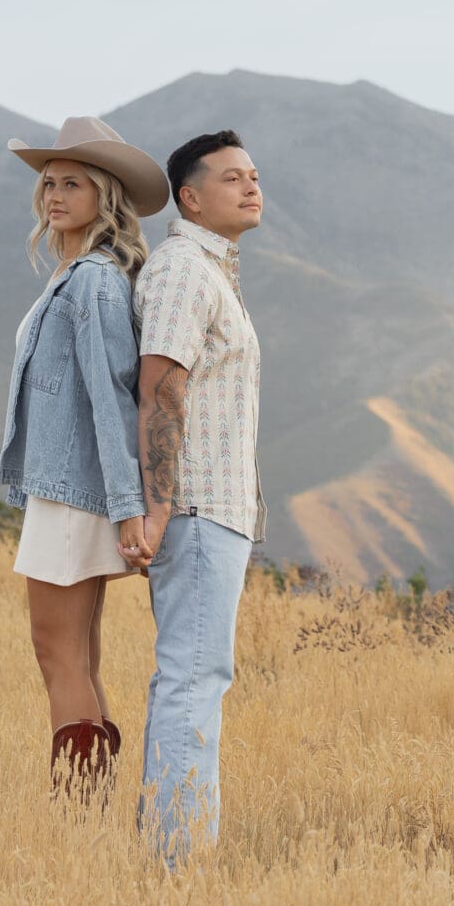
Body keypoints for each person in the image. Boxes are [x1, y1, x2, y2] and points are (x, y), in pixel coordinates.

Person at [0, 115, 170, 795]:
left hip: (74, 490)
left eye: (72, 183)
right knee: (80, 656)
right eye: (47, 183)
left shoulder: (94, 282)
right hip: (69, 485)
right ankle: (90, 811)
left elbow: (111, 397)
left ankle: (77, 808)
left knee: (56, 651)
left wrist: (129, 507)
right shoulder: (73, 276)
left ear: (106, 194)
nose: (54, 195)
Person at [134, 128, 265, 861]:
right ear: (189, 197)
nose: (250, 187)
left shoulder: (210, 270)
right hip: (194, 507)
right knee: (191, 678)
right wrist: (157, 506)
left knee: (193, 676)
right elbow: (159, 390)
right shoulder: (185, 269)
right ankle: (176, 863)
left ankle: (171, 848)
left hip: (215, 509)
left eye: (252, 176)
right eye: (230, 178)